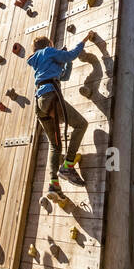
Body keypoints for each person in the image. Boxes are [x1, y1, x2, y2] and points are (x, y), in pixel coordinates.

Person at [27, 33, 94, 195]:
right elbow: (71, 54)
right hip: (51, 97)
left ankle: (54, 184)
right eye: (51, 45)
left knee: (55, 146)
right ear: (48, 45)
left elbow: (64, 76)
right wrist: (83, 41)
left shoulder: (38, 61)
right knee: (81, 124)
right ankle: (68, 165)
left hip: (40, 103)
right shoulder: (48, 51)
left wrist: (66, 62)